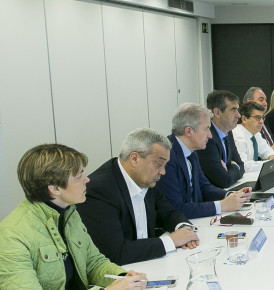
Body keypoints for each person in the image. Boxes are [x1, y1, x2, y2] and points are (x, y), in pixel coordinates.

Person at [0, 144, 147, 289]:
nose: (87, 179)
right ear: (54, 188)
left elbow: (93, 262)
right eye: (78, 177)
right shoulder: (11, 236)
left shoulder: (69, 212)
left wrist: (124, 278)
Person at [77, 128, 199, 265]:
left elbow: (168, 212)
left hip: (148, 263)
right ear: (134, 158)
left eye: (165, 166)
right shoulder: (100, 190)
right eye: (159, 164)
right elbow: (115, 253)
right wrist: (171, 241)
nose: (163, 172)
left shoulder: (145, 178)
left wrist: (183, 229)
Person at [156, 103, 252, 219]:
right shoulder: (167, 156)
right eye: (206, 129)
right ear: (188, 132)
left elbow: (204, 186)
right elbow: (176, 208)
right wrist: (221, 205)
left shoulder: (191, 150)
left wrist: (231, 195)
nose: (210, 135)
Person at [198, 90, 244, 188]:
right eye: (233, 109)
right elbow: (224, 180)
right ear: (217, 112)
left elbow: (241, 164)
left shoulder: (228, 131)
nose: (238, 115)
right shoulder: (208, 138)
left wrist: (232, 167)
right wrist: (235, 166)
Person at [233, 102, 274, 172]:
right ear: (244, 119)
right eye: (257, 118)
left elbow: (265, 149)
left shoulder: (254, 132)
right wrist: (270, 164)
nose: (261, 121)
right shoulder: (238, 136)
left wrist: (272, 157)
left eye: (262, 118)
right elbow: (243, 165)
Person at [243, 87, 274, 153]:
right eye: (261, 100)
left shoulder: (264, 118)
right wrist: (270, 150)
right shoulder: (246, 122)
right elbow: (252, 153)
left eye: (265, 100)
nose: (265, 103)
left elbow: (270, 136)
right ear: (249, 101)